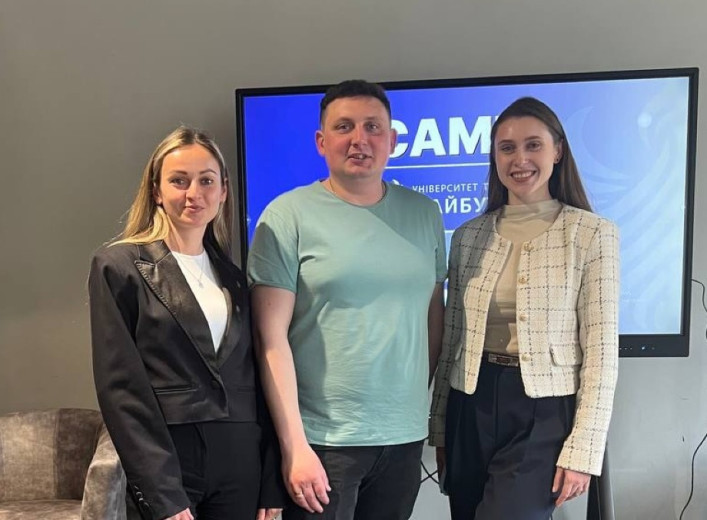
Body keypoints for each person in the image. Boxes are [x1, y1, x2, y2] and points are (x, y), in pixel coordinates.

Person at [247, 79, 447, 520]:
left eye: (373, 127)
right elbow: (269, 340)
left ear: (393, 141)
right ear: (322, 141)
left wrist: (412, 401)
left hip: (403, 437)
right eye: (344, 127)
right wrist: (294, 445)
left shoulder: (425, 213)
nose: (360, 139)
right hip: (323, 442)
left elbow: (433, 317)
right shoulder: (286, 215)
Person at [429, 97, 620, 520]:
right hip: (470, 402)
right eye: (507, 148)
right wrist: (440, 428)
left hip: (544, 410)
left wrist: (584, 449)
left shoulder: (591, 234)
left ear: (558, 151)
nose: (520, 159)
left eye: (533, 145)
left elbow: (602, 352)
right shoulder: (468, 236)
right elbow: (452, 338)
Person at [89, 126, 285, 520]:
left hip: (241, 463)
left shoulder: (234, 276)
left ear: (223, 191)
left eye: (206, 181)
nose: (194, 193)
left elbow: (257, 380)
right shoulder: (119, 267)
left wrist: (270, 480)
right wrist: (161, 493)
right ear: (157, 191)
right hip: (172, 463)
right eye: (179, 180)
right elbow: (122, 390)